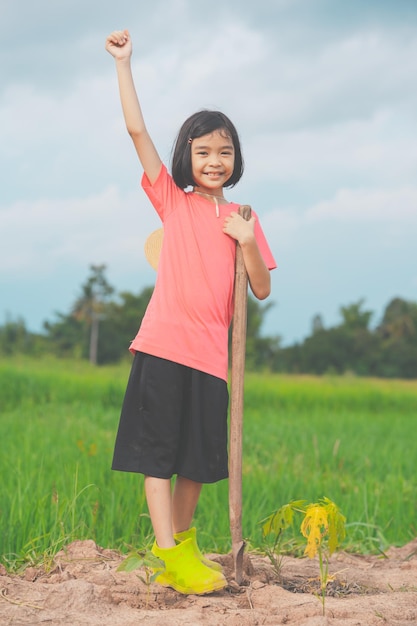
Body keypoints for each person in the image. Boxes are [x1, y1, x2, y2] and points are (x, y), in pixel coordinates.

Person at [105, 29, 277, 595]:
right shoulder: (172, 202)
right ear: (187, 156)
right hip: (162, 347)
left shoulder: (244, 216)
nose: (214, 160)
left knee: (199, 462)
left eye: (224, 151)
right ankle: (167, 552)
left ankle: (184, 545)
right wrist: (124, 65)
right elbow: (136, 130)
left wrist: (246, 239)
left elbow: (259, 290)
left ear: (237, 159)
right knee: (159, 454)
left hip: (211, 358)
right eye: (203, 151)